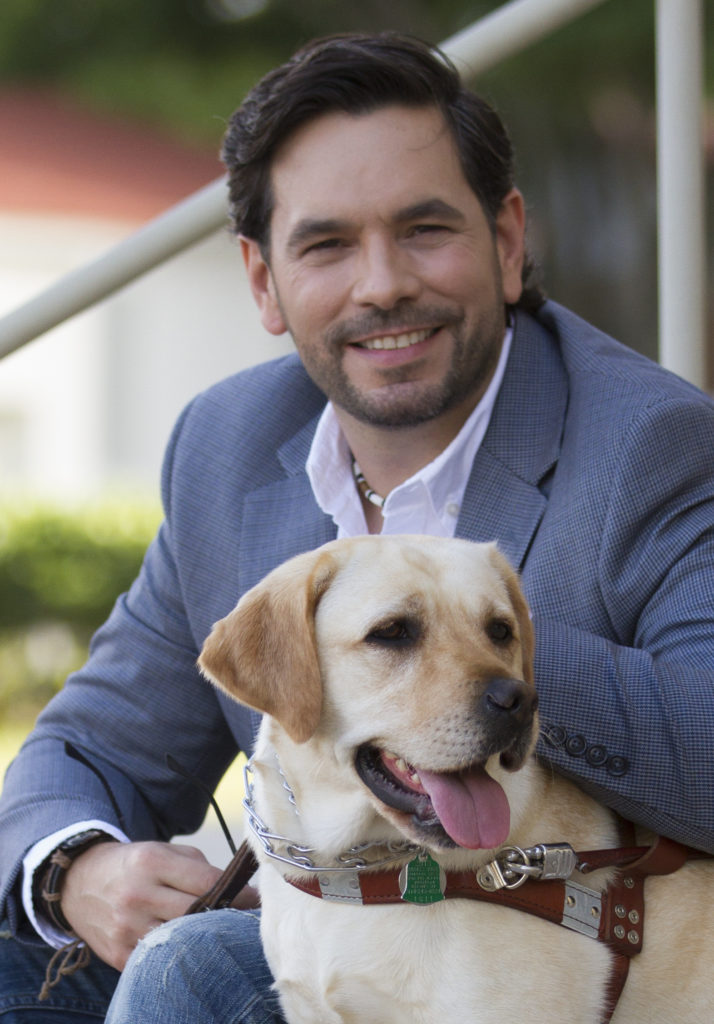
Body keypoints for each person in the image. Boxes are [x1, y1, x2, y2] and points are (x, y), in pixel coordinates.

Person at [1, 30, 713, 1024]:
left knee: (190, 971)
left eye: (425, 229)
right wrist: (75, 866)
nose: (381, 284)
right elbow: (93, 748)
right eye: (327, 244)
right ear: (263, 281)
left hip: (528, 960)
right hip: (314, 916)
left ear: (508, 243)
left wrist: (482, 648)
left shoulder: (653, 446)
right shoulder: (229, 446)